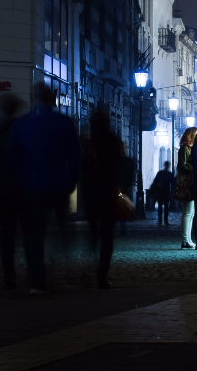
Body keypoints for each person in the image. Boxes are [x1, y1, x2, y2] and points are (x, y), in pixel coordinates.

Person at [5, 85, 81, 295]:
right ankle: (65, 271)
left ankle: (37, 280)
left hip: (31, 187)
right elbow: (75, 155)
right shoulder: (63, 122)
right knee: (62, 229)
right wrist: (70, 180)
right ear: (53, 98)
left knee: (35, 234)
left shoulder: (22, 124)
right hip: (58, 184)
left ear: (33, 98)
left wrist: (20, 181)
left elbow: (12, 158)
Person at [81, 106, 122, 288]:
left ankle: (91, 253)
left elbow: (81, 169)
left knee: (94, 230)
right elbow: (121, 168)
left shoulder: (88, 144)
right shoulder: (114, 142)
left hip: (91, 192)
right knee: (107, 235)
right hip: (109, 192)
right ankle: (102, 273)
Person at [0, 94, 26, 289]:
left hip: (5, 187)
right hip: (22, 187)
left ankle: (8, 273)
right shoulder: (21, 127)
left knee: (6, 234)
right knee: (27, 231)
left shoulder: (0, 129)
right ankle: (32, 271)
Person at [175, 127, 197, 249]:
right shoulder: (184, 148)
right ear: (191, 135)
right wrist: (193, 171)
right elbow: (181, 166)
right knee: (188, 213)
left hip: (189, 181)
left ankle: (188, 239)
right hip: (186, 182)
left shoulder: (189, 148)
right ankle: (185, 240)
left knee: (190, 212)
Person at [116, 142, 136, 236]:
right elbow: (131, 175)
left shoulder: (117, 161)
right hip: (123, 188)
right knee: (122, 206)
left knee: (119, 206)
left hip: (118, 188)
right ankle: (122, 228)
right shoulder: (128, 161)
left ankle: (121, 228)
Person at [150, 161, 173, 226]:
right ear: (165, 165)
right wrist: (158, 184)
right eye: (166, 165)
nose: (167, 166)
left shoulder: (166, 174)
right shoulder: (163, 173)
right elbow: (155, 181)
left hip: (165, 192)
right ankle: (161, 220)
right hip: (161, 192)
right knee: (161, 207)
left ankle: (165, 220)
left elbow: (172, 182)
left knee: (165, 207)